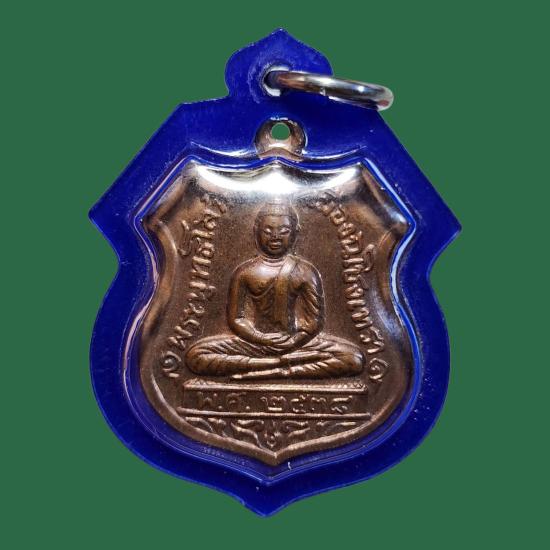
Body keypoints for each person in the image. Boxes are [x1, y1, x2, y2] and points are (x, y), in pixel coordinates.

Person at [185, 199, 365, 379]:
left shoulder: (305, 271)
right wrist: (260, 338)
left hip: (296, 344)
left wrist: (294, 341)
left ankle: (277, 370)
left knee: (353, 358)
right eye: (268, 231)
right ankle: (276, 364)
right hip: (253, 344)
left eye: (284, 231)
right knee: (196, 355)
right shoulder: (245, 272)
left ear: (296, 232)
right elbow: (237, 319)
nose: (275, 237)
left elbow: (313, 322)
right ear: (256, 231)